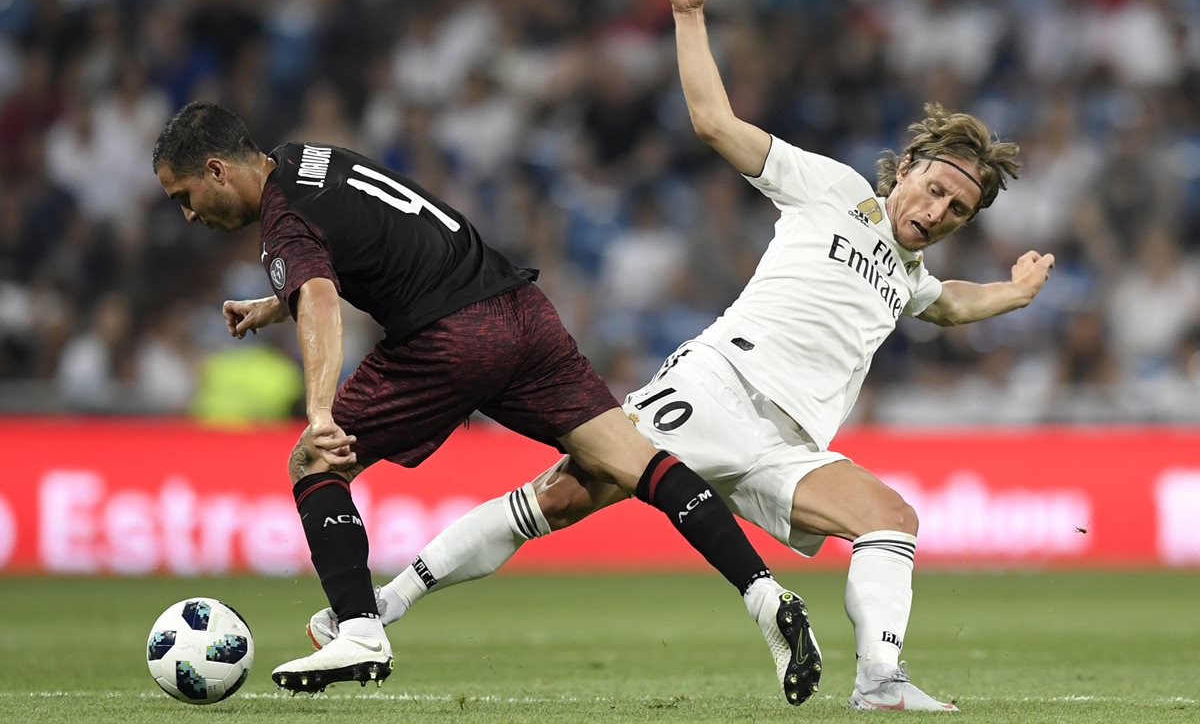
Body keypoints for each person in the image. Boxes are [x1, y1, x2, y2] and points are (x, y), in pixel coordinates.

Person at [307, 0, 1055, 713]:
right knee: (557, 502)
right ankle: (374, 609)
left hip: (789, 444)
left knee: (892, 521)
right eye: (933, 188)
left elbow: (948, 304)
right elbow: (713, 123)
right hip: (716, 388)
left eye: (956, 211)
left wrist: (1014, 295)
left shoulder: (908, 273)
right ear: (909, 169)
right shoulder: (832, 190)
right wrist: (690, 17)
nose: (934, 212)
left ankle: (880, 684)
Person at [151, 100, 821, 701]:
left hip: (448, 335)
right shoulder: (305, 160)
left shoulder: (281, 221)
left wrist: (320, 413)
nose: (187, 215)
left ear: (216, 170)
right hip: (519, 309)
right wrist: (276, 304)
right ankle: (766, 596)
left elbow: (322, 296)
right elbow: (363, 239)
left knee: (315, 465)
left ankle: (359, 628)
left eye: (184, 196)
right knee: (633, 460)